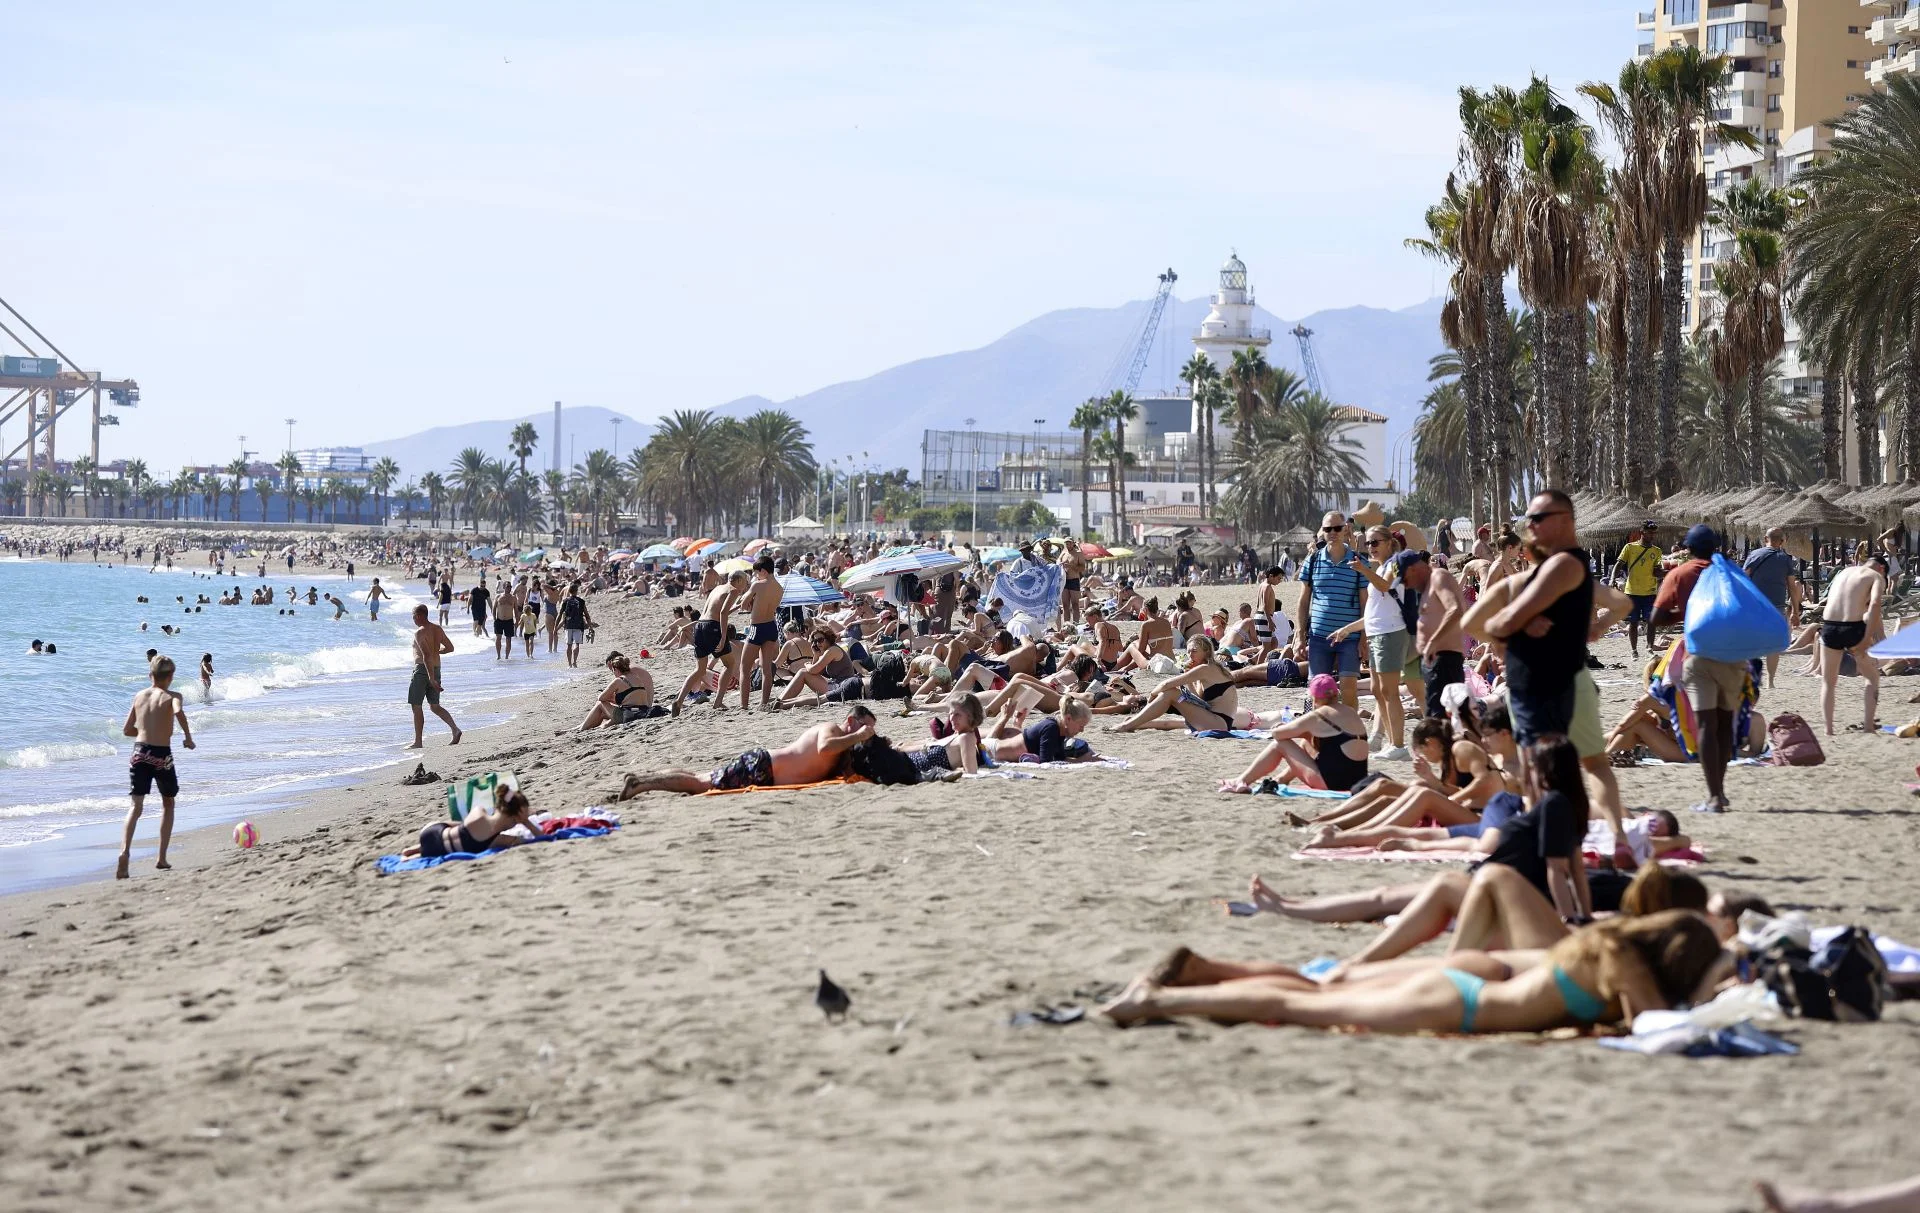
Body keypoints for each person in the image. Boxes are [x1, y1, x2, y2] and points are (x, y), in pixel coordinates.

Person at [1099, 910, 1726, 1033]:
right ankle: (1151, 1003)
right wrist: (1710, 986)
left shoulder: (1609, 942)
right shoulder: (1628, 969)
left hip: (1463, 990)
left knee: (1314, 995)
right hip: (1460, 1007)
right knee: (1302, 1008)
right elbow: (1661, 1029)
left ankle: (1195, 978)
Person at [1651, 525, 1752, 813]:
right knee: (1723, 723)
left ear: (1688, 548)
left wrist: (1683, 613)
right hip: (1733, 657)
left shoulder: (1680, 574)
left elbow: (1657, 617)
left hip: (1699, 655)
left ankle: (1714, 796)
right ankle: (1721, 790)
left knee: (1706, 724)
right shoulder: (1730, 573)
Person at [617, 708, 879, 795]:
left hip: (765, 770)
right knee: (700, 783)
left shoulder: (845, 745)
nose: (868, 732)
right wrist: (858, 736)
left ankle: (644, 779)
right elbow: (823, 749)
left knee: (701, 777)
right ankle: (641, 785)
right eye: (866, 726)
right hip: (762, 766)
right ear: (852, 721)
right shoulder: (832, 729)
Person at [1326, 526, 1412, 759]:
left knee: (1389, 691)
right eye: (1368, 544)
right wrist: (1346, 629)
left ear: (1389, 543)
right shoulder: (1382, 567)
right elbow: (1373, 614)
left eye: (1375, 542)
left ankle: (1399, 745)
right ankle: (1387, 741)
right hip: (1377, 633)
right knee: (1377, 690)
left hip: (1391, 633)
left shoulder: (1394, 564)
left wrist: (1364, 569)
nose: (1371, 547)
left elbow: (1385, 586)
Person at [1217, 673, 1369, 793]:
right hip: (1357, 780)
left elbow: (1278, 735)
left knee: (1280, 745)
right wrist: (1304, 734)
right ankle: (1281, 779)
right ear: (1336, 695)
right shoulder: (1350, 712)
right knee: (1307, 740)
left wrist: (1279, 726)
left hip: (1332, 783)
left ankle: (1241, 780)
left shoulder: (1318, 716)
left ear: (1315, 698)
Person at [117, 655, 195, 879]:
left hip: (139, 752)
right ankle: (161, 857)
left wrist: (144, 732)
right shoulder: (172, 696)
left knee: (136, 806)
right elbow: (179, 711)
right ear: (171, 676)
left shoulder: (139, 696)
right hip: (161, 755)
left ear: (150, 675)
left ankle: (124, 852)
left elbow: (127, 730)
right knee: (168, 803)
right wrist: (188, 737)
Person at [1819, 552, 1887, 737]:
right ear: (1881, 569)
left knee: (1829, 682)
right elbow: (1874, 606)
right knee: (1872, 678)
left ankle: (1829, 730)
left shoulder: (1844, 572)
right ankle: (1868, 726)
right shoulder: (1876, 577)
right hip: (1853, 628)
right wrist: (1866, 639)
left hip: (1830, 627)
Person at [402, 784, 538, 859]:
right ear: (516, 816)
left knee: (462, 827)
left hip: (430, 831)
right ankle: (412, 855)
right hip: (438, 850)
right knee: (462, 837)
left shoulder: (479, 811)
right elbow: (540, 838)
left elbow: (462, 824)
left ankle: (415, 848)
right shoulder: (501, 839)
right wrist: (526, 823)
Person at [1743, 526, 1802, 689]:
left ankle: (1755, 678)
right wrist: (1795, 612)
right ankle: (1770, 681)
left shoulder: (1754, 555)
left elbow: (1743, 578)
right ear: (1783, 541)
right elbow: (1792, 586)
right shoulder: (1785, 559)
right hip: (1776, 607)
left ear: (1764, 539)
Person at [1413, 550, 1465, 719]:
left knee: (1441, 718)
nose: (1405, 584)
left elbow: (1455, 609)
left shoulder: (1438, 577)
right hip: (1434, 659)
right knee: (1440, 716)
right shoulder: (1427, 586)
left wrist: (1432, 642)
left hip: (1444, 658)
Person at [407, 604, 462, 749]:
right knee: (435, 706)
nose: (413, 619)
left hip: (423, 671)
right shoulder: (437, 629)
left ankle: (418, 742)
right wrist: (437, 652)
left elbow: (425, 656)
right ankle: (455, 729)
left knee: (416, 705)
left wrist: (430, 678)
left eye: (413, 616)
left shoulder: (419, 632)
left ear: (419, 616)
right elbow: (450, 648)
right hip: (436, 668)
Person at [1610, 521, 1666, 659]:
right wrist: (1612, 579)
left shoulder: (1657, 551)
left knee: (1651, 621)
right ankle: (1634, 650)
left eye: (1654, 533)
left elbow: (1656, 571)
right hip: (1632, 591)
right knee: (1633, 622)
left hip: (1650, 592)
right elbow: (1619, 564)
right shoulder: (1630, 547)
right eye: (1650, 533)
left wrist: (1666, 573)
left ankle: (1649, 647)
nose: (1652, 535)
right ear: (1642, 532)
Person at [743, 556, 786, 710]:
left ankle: (744, 706)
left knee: (744, 667)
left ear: (763, 571)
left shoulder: (757, 585)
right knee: (767, 669)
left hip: (757, 627)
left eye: (757, 573)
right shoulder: (780, 588)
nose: (756, 576)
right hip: (771, 626)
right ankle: (763, 703)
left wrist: (751, 601)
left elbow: (743, 604)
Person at [578, 652, 657, 729]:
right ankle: (584, 727)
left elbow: (601, 698)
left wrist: (610, 698)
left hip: (630, 714)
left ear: (616, 669)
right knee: (604, 721)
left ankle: (582, 729)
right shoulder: (635, 677)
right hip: (643, 710)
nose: (613, 673)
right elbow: (630, 697)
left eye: (612, 670)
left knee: (599, 704)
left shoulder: (620, 680)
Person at [558, 582, 592, 668]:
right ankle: (575, 662)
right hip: (578, 625)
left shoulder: (565, 601)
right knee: (576, 644)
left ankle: (569, 664)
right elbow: (587, 615)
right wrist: (590, 627)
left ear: (569, 591)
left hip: (568, 625)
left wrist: (555, 628)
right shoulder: (581, 601)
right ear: (576, 591)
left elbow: (560, 614)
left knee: (569, 645)